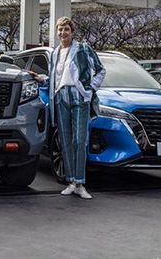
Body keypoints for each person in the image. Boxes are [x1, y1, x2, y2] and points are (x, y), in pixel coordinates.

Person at [31, 17, 105, 199]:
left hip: (79, 96)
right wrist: (42, 79)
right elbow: (56, 77)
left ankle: (80, 183)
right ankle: (71, 182)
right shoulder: (55, 53)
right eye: (60, 29)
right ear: (57, 32)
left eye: (66, 29)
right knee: (65, 141)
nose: (63, 33)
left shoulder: (82, 48)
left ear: (72, 32)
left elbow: (100, 70)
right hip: (60, 97)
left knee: (80, 140)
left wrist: (90, 89)